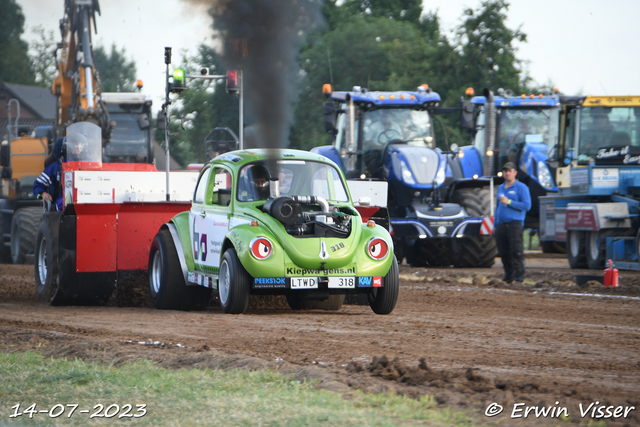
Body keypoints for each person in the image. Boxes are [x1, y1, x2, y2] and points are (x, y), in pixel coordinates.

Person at [493, 162, 531, 283]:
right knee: (504, 252)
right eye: (505, 171)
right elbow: (497, 207)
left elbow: (527, 205)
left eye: (509, 171)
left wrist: (509, 202)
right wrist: (495, 225)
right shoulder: (500, 188)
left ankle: (519, 278)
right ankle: (508, 276)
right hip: (501, 225)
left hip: (515, 224)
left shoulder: (521, 187)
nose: (507, 173)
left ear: (515, 173)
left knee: (516, 251)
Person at [33, 134, 88, 211]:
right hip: (64, 208)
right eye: (73, 147)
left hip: (88, 203)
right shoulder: (57, 167)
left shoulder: (91, 166)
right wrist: (42, 193)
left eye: (80, 147)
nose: (77, 150)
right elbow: (38, 184)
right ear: (66, 148)